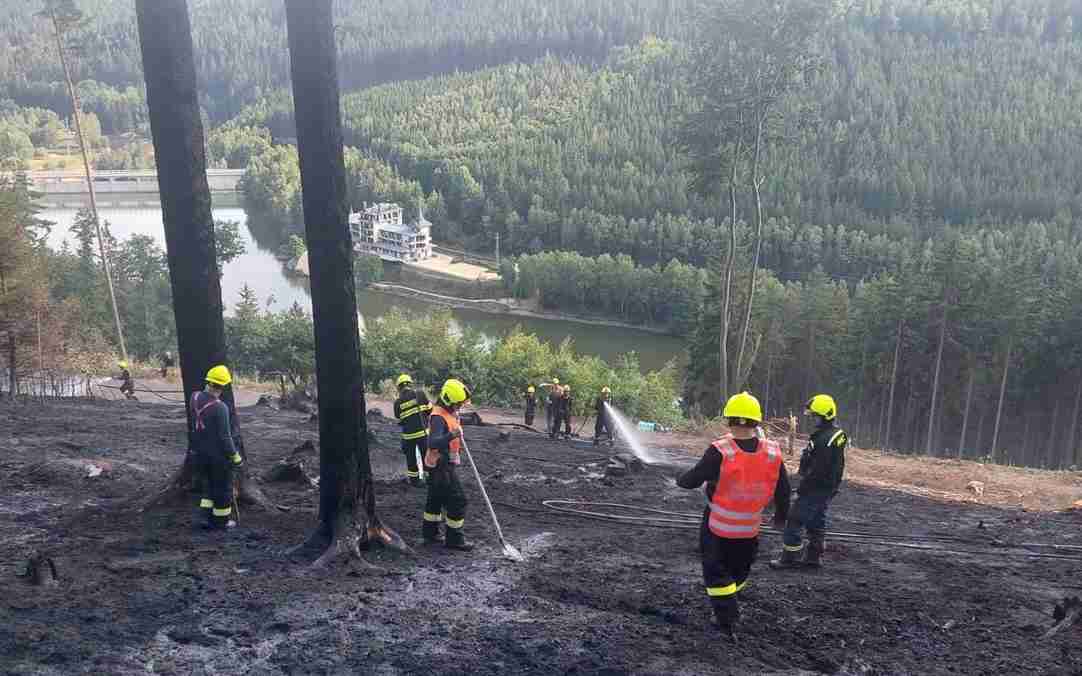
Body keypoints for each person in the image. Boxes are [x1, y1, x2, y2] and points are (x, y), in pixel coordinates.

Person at [677, 391, 790, 636]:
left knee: (715, 570)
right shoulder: (772, 452)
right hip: (750, 528)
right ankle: (733, 595)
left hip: (717, 526)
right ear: (756, 421)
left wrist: (680, 479)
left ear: (729, 419)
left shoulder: (720, 450)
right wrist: (781, 517)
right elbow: (784, 489)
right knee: (740, 568)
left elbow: (693, 479)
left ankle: (726, 616)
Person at [771, 394, 847, 570]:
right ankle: (814, 556)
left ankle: (789, 558)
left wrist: (802, 488)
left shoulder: (826, 439)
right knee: (816, 520)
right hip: (827, 487)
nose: (813, 418)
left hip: (816, 487)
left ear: (825, 415)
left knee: (795, 519)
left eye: (815, 415)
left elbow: (818, 470)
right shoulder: (831, 435)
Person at [421, 378, 473, 551]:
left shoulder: (446, 413)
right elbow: (433, 443)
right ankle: (455, 539)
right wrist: (452, 434)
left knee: (435, 500)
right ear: (449, 400)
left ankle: (430, 534)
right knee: (458, 501)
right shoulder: (438, 417)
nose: (460, 407)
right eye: (458, 404)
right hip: (441, 467)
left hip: (438, 465)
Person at [191, 365, 244, 530]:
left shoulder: (195, 397)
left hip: (200, 453)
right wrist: (236, 457)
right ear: (223, 386)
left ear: (208, 381)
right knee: (222, 489)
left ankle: (205, 517)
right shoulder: (221, 407)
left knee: (208, 486)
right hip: (218, 457)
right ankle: (222, 522)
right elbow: (225, 437)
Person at [393, 373, 431, 487]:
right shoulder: (420, 394)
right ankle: (429, 478)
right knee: (426, 456)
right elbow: (430, 409)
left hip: (408, 436)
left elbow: (399, 417)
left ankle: (414, 481)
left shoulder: (397, 403)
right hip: (423, 433)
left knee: (411, 458)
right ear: (410, 384)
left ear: (399, 387)